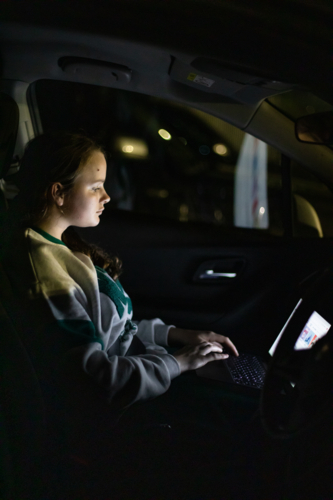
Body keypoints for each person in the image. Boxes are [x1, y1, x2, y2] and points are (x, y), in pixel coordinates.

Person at [3, 131, 240, 497]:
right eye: (96, 186)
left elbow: (109, 330)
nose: (107, 196)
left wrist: (174, 336)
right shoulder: (45, 272)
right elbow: (96, 377)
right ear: (58, 192)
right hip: (111, 422)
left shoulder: (57, 244)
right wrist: (177, 364)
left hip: (140, 378)